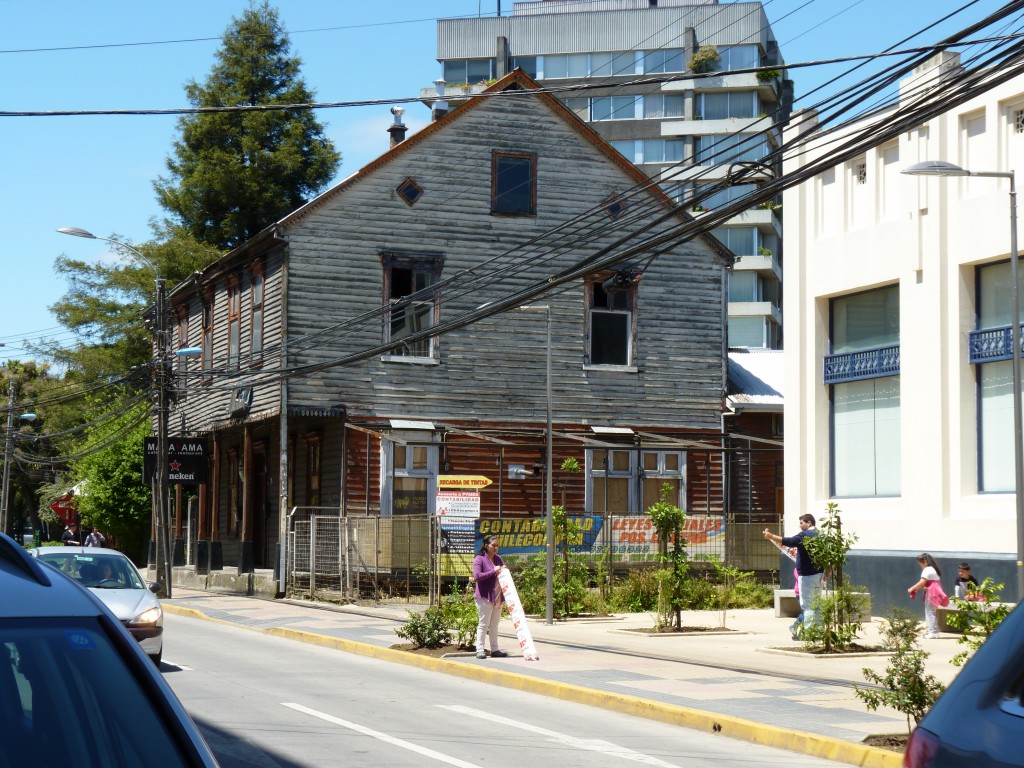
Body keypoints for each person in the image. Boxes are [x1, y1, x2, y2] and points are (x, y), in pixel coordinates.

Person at [763, 514, 824, 640]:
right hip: (819, 574)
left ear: (809, 523)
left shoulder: (804, 535)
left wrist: (771, 536)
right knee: (817, 605)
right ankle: (818, 632)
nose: (800, 525)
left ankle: (808, 634)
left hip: (807, 575)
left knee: (808, 606)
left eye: (801, 522)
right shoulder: (821, 535)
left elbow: (790, 542)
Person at [471, 535, 508, 660]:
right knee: (483, 624)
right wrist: (494, 571)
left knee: (494, 625)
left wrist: (504, 570)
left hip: (498, 597)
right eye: (493, 545)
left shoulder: (498, 559)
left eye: (497, 545)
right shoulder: (479, 559)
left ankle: (495, 649)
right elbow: (477, 576)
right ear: (486, 545)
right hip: (484, 597)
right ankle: (480, 650)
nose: (496, 548)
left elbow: (502, 573)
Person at [908, 553, 944, 638]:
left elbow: (922, 582)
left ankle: (933, 632)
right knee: (932, 612)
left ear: (925, 562)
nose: (920, 565)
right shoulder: (933, 569)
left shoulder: (927, 570)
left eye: (920, 563)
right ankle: (932, 630)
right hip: (935, 593)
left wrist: (912, 588)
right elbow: (929, 583)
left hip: (931, 594)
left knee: (930, 612)